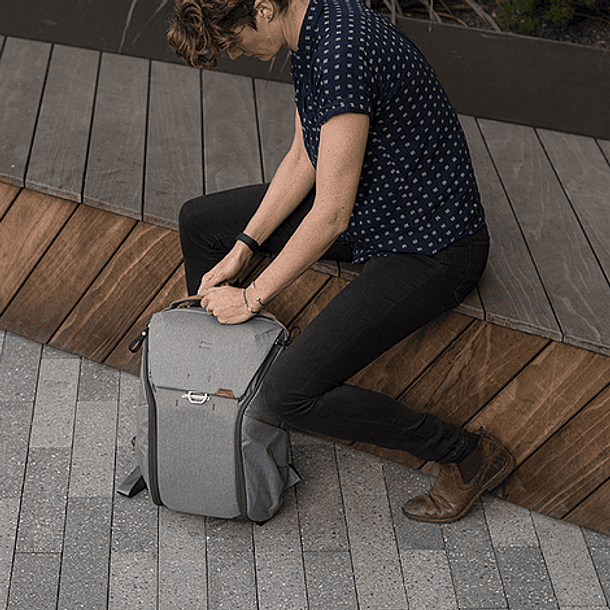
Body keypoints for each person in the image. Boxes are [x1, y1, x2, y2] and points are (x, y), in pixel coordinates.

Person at [166, 0, 514, 523]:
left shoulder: (340, 53)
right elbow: (303, 157)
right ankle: (220, 398)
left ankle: (466, 456)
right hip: (374, 211)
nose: (236, 54)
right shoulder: (311, 29)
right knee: (201, 222)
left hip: (431, 245)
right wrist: (244, 246)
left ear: (263, 9)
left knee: (287, 395)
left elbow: (330, 215)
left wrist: (252, 297)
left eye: (234, 41)